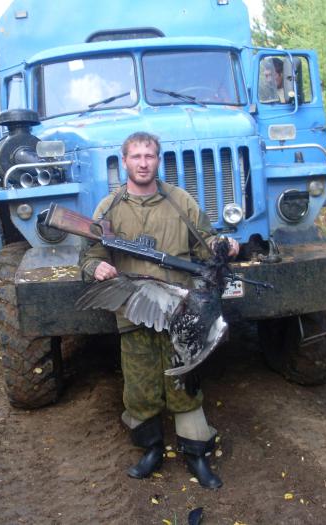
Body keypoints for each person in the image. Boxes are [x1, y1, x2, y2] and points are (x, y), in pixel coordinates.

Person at [79, 131, 239, 489]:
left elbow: (205, 244)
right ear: (125, 162)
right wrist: (96, 269)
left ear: (158, 160)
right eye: (135, 156)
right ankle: (150, 450)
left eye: (149, 156)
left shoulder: (180, 201)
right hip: (134, 310)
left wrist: (224, 245)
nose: (142, 163)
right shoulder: (108, 208)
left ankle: (197, 455)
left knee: (186, 380)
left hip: (183, 312)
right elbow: (90, 254)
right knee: (140, 386)